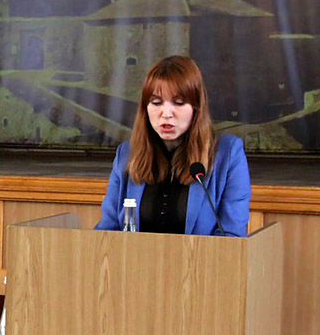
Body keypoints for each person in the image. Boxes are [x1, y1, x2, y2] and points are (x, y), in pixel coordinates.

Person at [96, 55, 251, 236]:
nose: (166, 113)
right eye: (156, 102)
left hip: (200, 255)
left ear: (196, 107)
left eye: (179, 103)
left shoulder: (228, 154)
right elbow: (106, 233)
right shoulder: (126, 155)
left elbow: (232, 236)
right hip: (135, 255)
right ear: (145, 108)